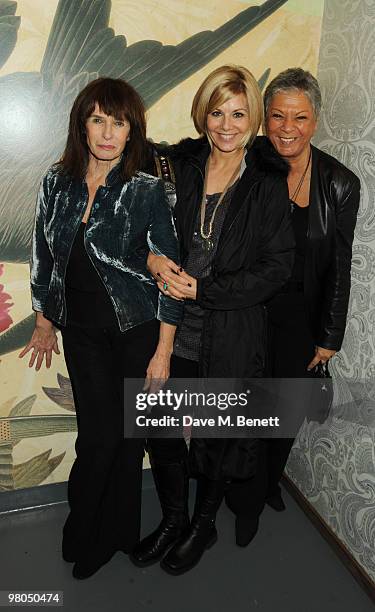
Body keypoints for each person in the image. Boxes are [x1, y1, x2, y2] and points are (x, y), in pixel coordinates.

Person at [131, 65, 295, 575]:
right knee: (161, 430)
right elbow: (143, 220)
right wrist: (153, 257)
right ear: (204, 114)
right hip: (173, 329)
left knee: (218, 437)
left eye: (238, 113)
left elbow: (276, 269)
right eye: (217, 112)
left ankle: (202, 526)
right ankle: (174, 519)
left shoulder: (267, 183)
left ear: (253, 120)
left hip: (231, 332)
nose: (226, 125)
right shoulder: (180, 165)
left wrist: (207, 288)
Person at [19, 77, 183, 579]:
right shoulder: (56, 182)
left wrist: (163, 352)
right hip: (83, 333)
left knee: (131, 439)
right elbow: (45, 255)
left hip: (136, 330)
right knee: (98, 438)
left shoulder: (147, 189)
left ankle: (120, 533)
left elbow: (171, 273)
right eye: (98, 120)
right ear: (82, 125)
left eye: (119, 122)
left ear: (132, 130)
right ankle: (83, 531)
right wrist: (45, 320)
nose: (108, 133)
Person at [260, 67, 360, 512]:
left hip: (301, 315)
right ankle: (238, 484)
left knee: (285, 411)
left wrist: (330, 337)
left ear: (315, 121)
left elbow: (339, 266)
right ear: (265, 118)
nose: (287, 129)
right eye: (278, 116)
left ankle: (263, 485)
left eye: (299, 118)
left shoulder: (339, 184)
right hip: (250, 307)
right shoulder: (251, 163)